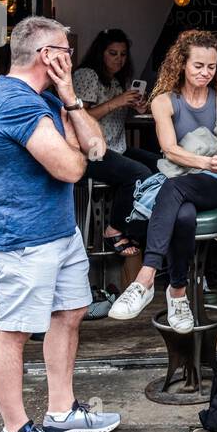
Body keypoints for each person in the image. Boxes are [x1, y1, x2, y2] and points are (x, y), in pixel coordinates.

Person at [0, 15, 121, 432]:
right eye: (66, 50)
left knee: (70, 312)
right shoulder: (16, 103)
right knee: (15, 330)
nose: (71, 57)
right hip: (24, 237)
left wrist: (72, 99)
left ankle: (61, 411)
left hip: (58, 231)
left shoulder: (44, 99)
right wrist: (74, 139)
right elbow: (73, 169)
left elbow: (96, 150)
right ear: (47, 56)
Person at [107, 30, 217, 332]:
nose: (205, 73)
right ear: (182, 64)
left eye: (211, 67)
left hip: (214, 182)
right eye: (198, 66)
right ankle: (177, 293)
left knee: (173, 190)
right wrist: (205, 160)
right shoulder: (164, 101)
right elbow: (170, 150)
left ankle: (145, 279)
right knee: (182, 213)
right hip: (179, 176)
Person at [72, 28, 157, 279]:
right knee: (138, 173)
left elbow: (112, 118)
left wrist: (134, 107)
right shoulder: (87, 75)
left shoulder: (116, 81)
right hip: (92, 151)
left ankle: (140, 227)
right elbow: (80, 117)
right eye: (112, 53)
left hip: (116, 146)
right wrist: (117, 101)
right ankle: (115, 228)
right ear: (100, 54)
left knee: (162, 166)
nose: (118, 59)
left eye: (122, 54)